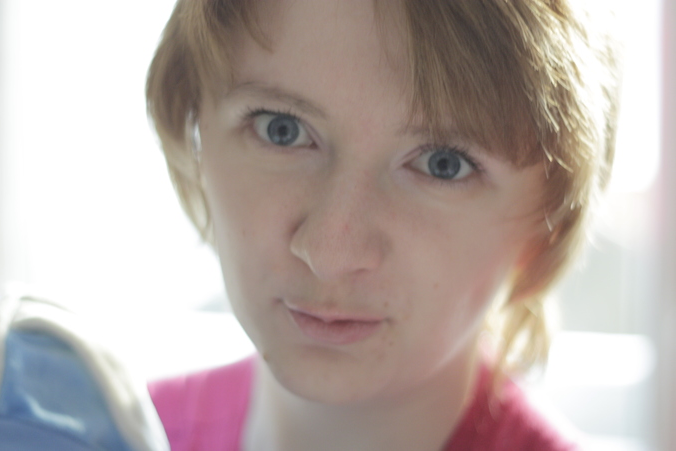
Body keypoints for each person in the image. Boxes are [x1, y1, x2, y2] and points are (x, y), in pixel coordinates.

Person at [145, 0, 622, 450]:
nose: (330, 254)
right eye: (281, 129)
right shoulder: (123, 433)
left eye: (442, 164)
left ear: (546, 227)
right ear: (195, 128)